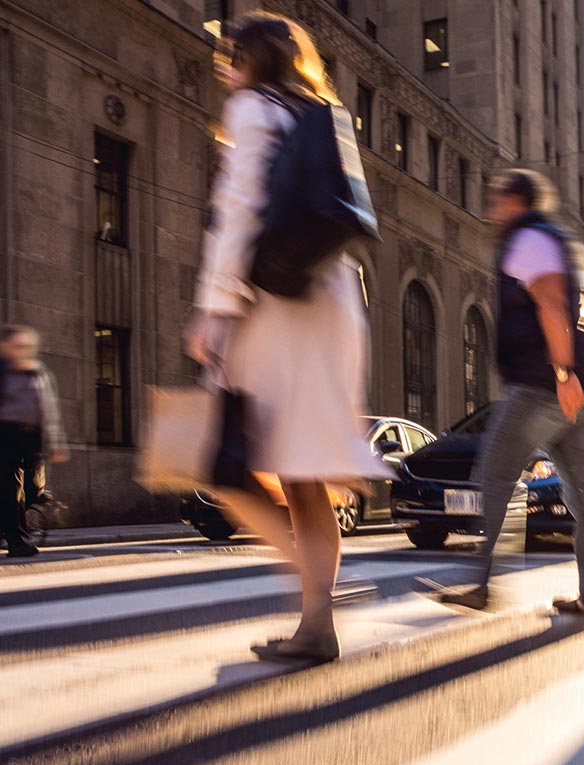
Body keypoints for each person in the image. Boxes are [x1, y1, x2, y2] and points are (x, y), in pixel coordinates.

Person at [185, 12, 389, 663]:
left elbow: (239, 210)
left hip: (276, 310)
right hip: (330, 303)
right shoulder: (317, 112)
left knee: (232, 468)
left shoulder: (250, 110)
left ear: (250, 59)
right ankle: (316, 621)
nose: (225, 68)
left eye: (230, 56)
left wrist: (213, 309)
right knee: (299, 473)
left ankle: (315, 604)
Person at [420, 169, 584, 614]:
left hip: (545, 385)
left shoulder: (529, 237)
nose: (492, 210)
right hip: (582, 385)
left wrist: (562, 372)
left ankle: (482, 583)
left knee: (495, 474)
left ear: (515, 201)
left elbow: (550, 304)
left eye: (496, 200)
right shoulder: (557, 240)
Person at [0, 325, 67, 558]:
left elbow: (49, 408)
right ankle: (17, 540)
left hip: (33, 438)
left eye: (27, 347)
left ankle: (5, 527)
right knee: (11, 489)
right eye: (18, 346)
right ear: (5, 347)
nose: (23, 351)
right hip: (5, 434)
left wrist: (57, 441)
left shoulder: (37, 371)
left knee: (35, 490)